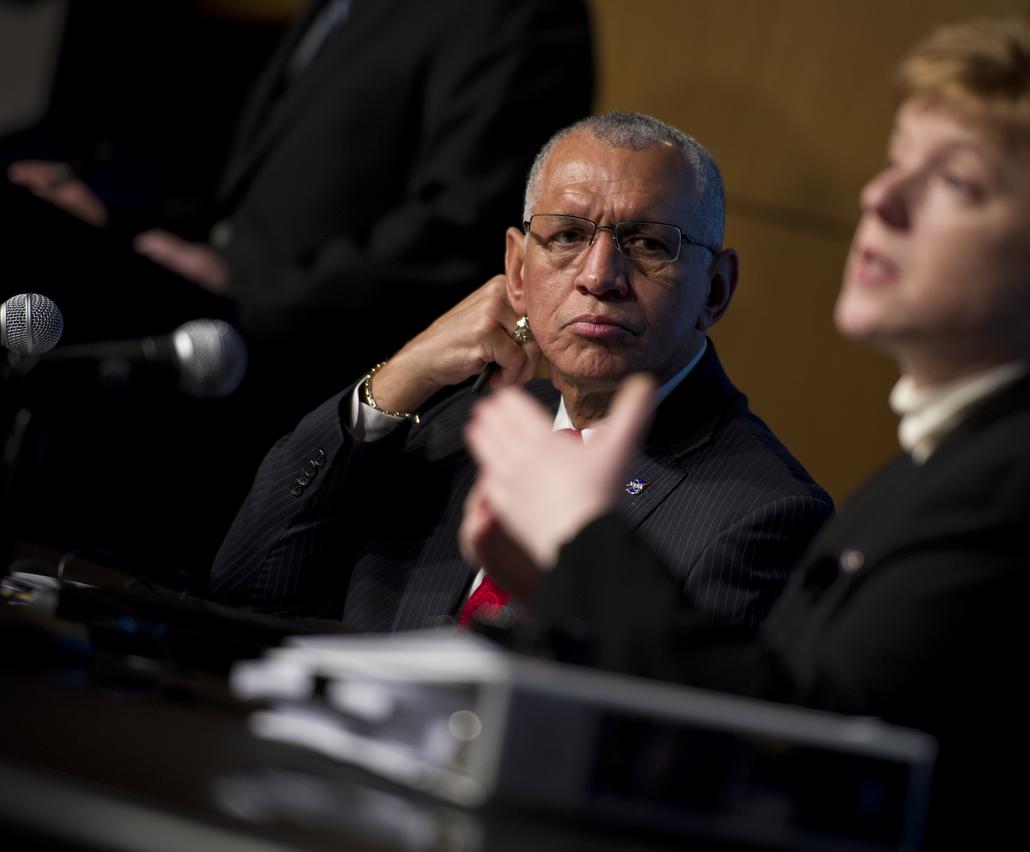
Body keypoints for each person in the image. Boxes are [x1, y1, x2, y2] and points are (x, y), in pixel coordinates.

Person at [459, 15, 1030, 848]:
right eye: (897, 164)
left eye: (955, 183)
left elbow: (801, 762)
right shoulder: (946, 469)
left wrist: (584, 547)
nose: (879, 198)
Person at [3, 0, 595, 577]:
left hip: (330, 403)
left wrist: (247, 284)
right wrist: (111, 222)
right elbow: (253, 214)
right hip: (223, 378)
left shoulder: (515, 12)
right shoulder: (338, 8)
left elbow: (457, 230)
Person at [209, 112, 833, 632]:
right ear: (516, 268)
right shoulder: (459, 425)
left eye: (646, 243)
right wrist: (394, 382)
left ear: (715, 291)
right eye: (566, 236)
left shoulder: (765, 516)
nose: (598, 277)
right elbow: (246, 592)